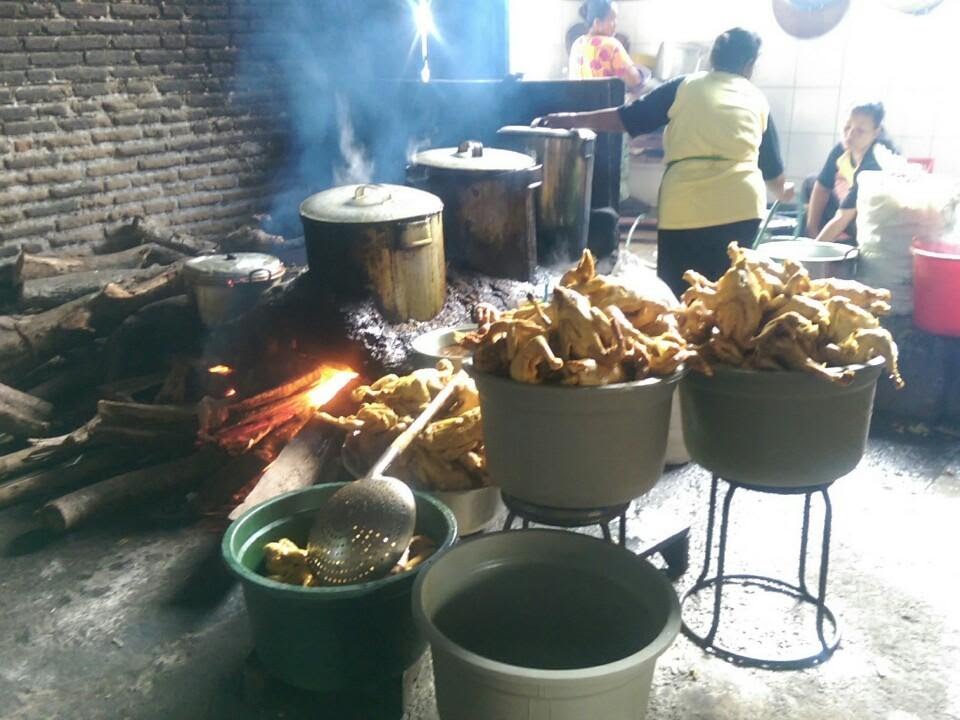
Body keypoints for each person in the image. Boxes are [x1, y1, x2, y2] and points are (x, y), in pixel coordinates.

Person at [537, 27, 793, 297]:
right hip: (741, 209)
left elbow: (626, 117)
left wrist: (568, 119)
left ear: (711, 59)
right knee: (730, 300)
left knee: (678, 299)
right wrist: (785, 191)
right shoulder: (757, 99)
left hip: (685, 209)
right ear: (749, 64)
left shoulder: (686, 86)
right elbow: (774, 174)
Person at [807, 102, 898, 244]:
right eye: (847, 127)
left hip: (877, 221)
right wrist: (812, 230)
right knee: (810, 183)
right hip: (849, 206)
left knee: (848, 221)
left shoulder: (876, 162)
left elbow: (844, 216)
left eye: (860, 131)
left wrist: (811, 256)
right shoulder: (844, 146)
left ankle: (845, 244)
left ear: (876, 132)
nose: (850, 135)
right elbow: (822, 186)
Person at [568, 1, 649, 94]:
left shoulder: (577, 43)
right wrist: (644, 74)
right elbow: (634, 81)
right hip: (605, 107)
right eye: (612, 19)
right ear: (597, 23)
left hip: (578, 106)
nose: (616, 23)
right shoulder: (611, 44)